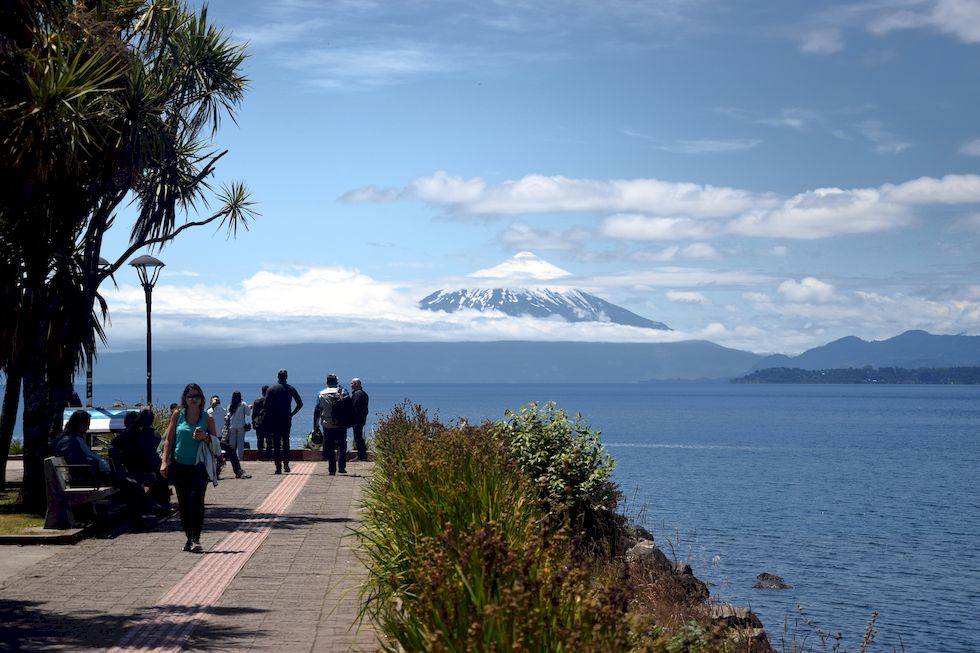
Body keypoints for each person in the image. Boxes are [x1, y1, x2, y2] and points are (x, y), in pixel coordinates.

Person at [52, 410, 168, 528]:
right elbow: (77, 462)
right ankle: (142, 517)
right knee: (130, 484)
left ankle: (150, 510)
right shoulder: (69, 441)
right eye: (86, 424)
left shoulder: (74, 437)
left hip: (93, 474)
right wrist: (95, 464)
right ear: (80, 424)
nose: (87, 427)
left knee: (130, 482)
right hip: (89, 476)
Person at [160, 383, 222, 553]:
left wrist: (205, 437)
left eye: (197, 396)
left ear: (202, 398)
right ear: (185, 399)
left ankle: (196, 538)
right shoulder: (177, 415)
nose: (194, 399)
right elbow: (169, 440)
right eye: (190, 396)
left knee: (197, 501)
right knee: (184, 503)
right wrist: (164, 461)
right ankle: (188, 537)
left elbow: (216, 444)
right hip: (180, 465)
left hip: (199, 466)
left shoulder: (206, 418)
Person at [109, 408, 170, 507]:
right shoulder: (148, 433)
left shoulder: (131, 434)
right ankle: (160, 503)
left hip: (134, 467)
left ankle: (155, 502)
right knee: (162, 473)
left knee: (160, 473)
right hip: (140, 468)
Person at [264, 369, 303, 474]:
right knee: (286, 441)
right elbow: (300, 403)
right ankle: (286, 464)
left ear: (278, 376)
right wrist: (292, 414)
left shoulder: (271, 389)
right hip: (286, 419)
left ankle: (278, 466)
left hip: (275, 419)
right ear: (286, 377)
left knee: (276, 443)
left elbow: (266, 405)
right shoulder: (290, 388)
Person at [313, 373, 352, 475]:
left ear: (327, 382)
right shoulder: (344, 391)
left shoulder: (321, 394)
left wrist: (315, 425)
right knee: (342, 444)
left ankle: (331, 468)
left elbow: (317, 410)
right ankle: (342, 466)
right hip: (341, 423)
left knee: (329, 446)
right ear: (337, 382)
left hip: (327, 424)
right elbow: (349, 406)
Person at [224, 390, 251, 462]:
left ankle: (232, 458)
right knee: (240, 443)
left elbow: (228, 414)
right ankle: (240, 458)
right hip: (241, 426)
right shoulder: (243, 404)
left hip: (232, 426)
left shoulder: (230, 405)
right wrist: (249, 407)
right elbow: (248, 413)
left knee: (232, 443)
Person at [350, 377, 370, 461]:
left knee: (358, 437)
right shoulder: (363, 394)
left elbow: (356, 408)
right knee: (359, 437)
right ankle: (362, 454)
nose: (351, 385)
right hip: (361, 419)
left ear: (356, 384)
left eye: (352, 383)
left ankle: (362, 455)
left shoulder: (357, 394)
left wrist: (353, 418)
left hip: (357, 420)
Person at [251, 385, 269, 460]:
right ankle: (268, 457)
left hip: (259, 423)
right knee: (269, 441)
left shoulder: (256, 401)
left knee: (260, 441)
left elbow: (254, 413)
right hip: (269, 423)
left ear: (262, 391)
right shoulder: (271, 400)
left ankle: (260, 457)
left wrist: (253, 423)